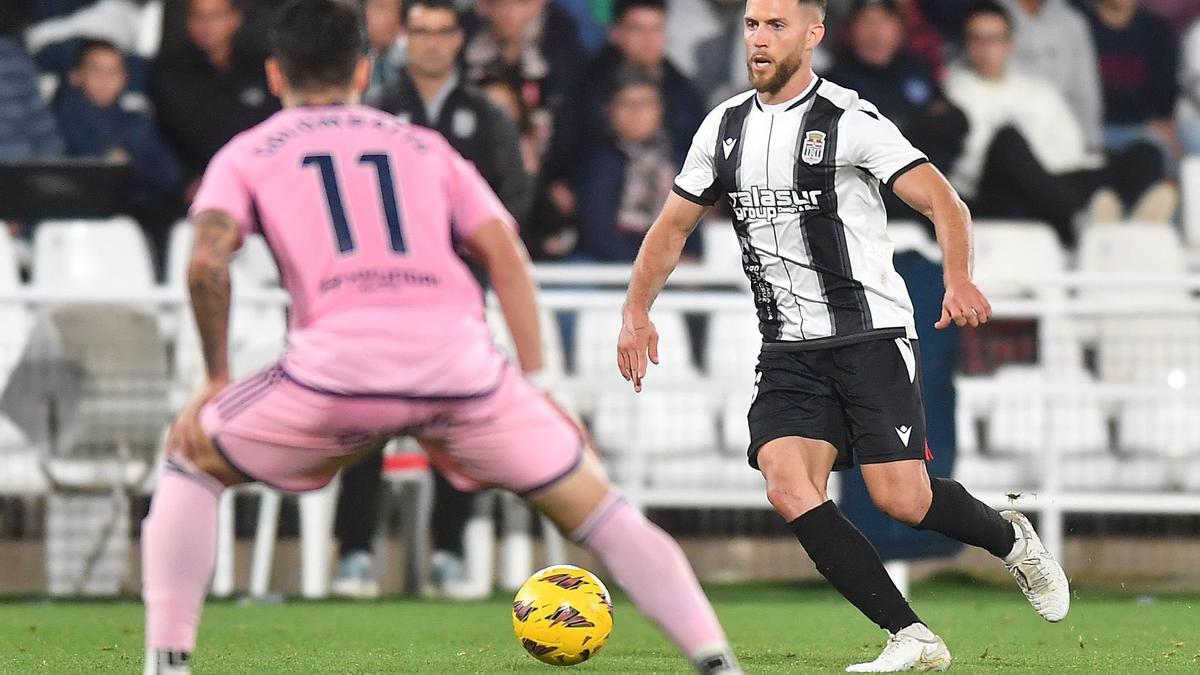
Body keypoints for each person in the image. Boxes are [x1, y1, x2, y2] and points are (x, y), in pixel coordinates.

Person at [140, 3, 742, 675]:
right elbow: (506, 254)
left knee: (192, 455)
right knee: (598, 504)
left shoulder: (248, 151)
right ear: (364, 71)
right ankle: (717, 661)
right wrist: (541, 386)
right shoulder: (426, 146)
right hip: (462, 372)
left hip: (336, 378)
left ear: (276, 74)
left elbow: (204, 263)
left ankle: (167, 662)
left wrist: (216, 379)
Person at [616, 0, 1069, 671]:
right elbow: (673, 227)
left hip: (869, 335)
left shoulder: (849, 119)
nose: (760, 40)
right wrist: (636, 311)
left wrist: (958, 277)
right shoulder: (725, 127)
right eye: (751, 25)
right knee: (786, 482)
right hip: (788, 349)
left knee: (902, 498)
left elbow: (944, 199)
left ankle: (1011, 541)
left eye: (777, 25)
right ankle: (911, 634)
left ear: (813, 33)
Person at [333, 0, 534, 598]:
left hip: (456, 298)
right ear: (404, 38)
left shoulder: (485, 116)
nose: (430, 43)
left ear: (457, 39)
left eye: (442, 32)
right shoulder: (373, 113)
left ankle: (449, 549)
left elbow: (512, 201)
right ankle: (356, 553)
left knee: (453, 422)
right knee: (365, 420)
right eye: (418, 31)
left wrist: (463, 253)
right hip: (376, 296)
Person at [945, 2, 1173, 246]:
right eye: (978, 39)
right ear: (965, 45)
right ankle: (1088, 223)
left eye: (995, 38)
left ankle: (1119, 218)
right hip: (998, 193)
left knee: (1146, 151)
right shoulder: (953, 91)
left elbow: (1071, 146)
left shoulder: (1037, 89)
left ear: (1010, 43)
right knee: (1007, 139)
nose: (986, 48)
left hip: (1057, 179)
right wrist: (1032, 169)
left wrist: (1044, 174)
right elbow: (970, 163)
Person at [52, 39, 182, 275]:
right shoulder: (59, 119)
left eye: (113, 71)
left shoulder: (136, 122)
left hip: (139, 216)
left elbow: (168, 175)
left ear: (124, 78)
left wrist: (127, 161)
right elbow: (84, 174)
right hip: (80, 219)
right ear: (75, 76)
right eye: (96, 70)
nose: (105, 79)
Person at [151, 0, 279, 201]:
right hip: (195, 184)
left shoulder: (262, 69)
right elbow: (162, 136)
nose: (205, 25)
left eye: (215, 16)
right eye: (198, 16)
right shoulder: (167, 72)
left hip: (261, 178)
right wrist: (187, 179)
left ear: (235, 19)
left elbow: (275, 127)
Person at [572, 69, 700, 262]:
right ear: (610, 111)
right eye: (627, 104)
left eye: (646, 104)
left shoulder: (678, 160)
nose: (637, 113)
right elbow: (598, 234)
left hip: (674, 268)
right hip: (613, 269)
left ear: (660, 110)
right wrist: (654, 264)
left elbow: (693, 222)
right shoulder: (598, 163)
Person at [997, 0, 1104, 153]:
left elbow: (1085, 92)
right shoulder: (989, 18)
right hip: (1007, 141)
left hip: (1063, 143)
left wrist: (1091, 143)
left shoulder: (1072, 23)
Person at [1086, 0, 1179, 157]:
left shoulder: (1157, 31)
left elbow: (1165, 97)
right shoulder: (1078, 26)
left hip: (1144, 130)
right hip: (1092, 129)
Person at [364, 0, 406, 92]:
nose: (391, 18)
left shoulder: (408, 58)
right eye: (382, 8)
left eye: (398, 10)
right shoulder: (349, 57)